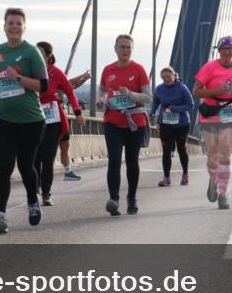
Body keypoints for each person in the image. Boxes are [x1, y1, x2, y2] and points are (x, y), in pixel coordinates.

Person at [0, 8, 48, 235]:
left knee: (26, 166)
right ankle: (0, 215)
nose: (14, 27)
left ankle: (32, 200)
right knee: (5, 166)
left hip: (31, 120)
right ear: (4, 26)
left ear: (24, 27)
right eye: (11, 23)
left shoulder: (31, 52)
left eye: (19, 23)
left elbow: (44, 86)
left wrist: (18, 77)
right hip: (3, 117)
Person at [193, 36, 232, 210]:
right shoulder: (209, 67)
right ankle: (213, 179)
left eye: (230, 49)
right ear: (219, 51)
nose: (227, 52)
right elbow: (196, 92)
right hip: (212, 112)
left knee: (225, 151)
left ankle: (223, 194)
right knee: (213, 154)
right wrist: (216, 90)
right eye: (224, 49)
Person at [97, 34, 152, 216]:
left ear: (132, 49)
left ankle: (132, 198)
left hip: (135, 122)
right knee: (114, 160)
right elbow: (102, 91)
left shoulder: (139, 69)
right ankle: (114, 199)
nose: (125, 50)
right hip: (113, 121)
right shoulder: (108, 70)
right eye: (122, 47)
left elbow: (148, 97)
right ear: (115, 49)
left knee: (131, 162)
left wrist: (129, 93)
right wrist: (101, 100)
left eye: (128, 47)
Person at [34, 41, 85, 207]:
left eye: (40, 52)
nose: (37, 55)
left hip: (53, 120)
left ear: (48, 56)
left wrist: (77, 112)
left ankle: (46, 193)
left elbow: (70, 92)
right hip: (32, 118)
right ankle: (34, 190)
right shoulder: (29, 70)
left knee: (48, 158)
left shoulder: (55, 72)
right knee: (34, 158)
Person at [150, 67, 194, 187]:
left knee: (181, 149)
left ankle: (185, 174)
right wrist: (153, 112)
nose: (166, 79)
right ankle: (166, 178)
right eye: (163, 77)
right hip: (166, 123)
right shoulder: (159, 88)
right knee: (166, 150)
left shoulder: (182, 88)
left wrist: (176, 108)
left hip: (182, 124)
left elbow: (190, 104)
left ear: (174, 76)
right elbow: (155, 101)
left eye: (168, 76)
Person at [58, 69, 91, 181]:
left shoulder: (63, 87)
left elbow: (73, 85)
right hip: (49, 119)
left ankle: (68, 171)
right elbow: (70, 82)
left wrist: (85, 78)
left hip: (61, 118)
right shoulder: (51, 83)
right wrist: (83, 75)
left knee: (65, 146)